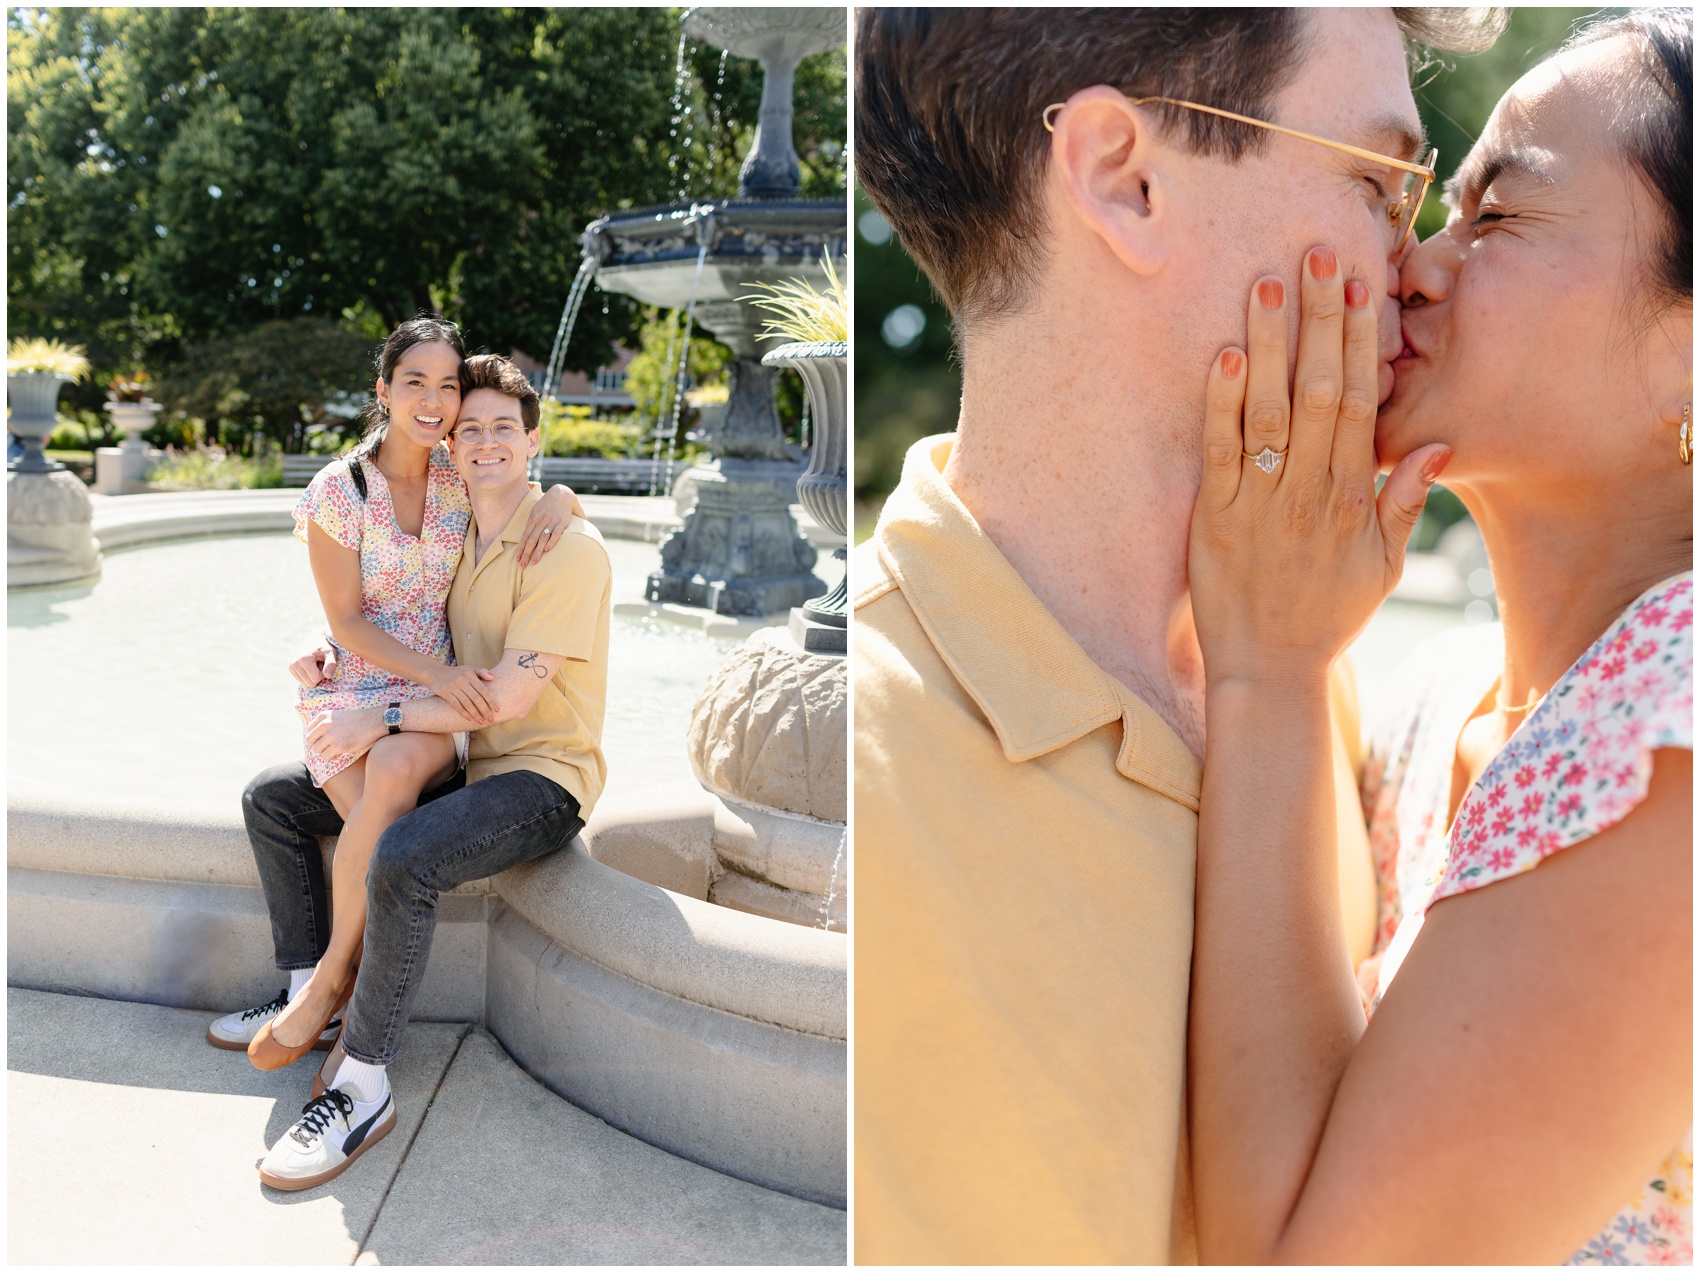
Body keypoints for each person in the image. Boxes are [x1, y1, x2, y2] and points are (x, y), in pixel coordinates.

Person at [850, 8, 1502, 1262]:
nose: (1416, 262)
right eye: (1377, 182)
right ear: (1123, 178)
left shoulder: (1310, 676)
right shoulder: (863, 807)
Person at [1186, 9, 1691, 1263]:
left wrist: (1271, 668)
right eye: (1434, 207)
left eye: (1499, 217)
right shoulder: (1436, 695)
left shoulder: (1673, 742)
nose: (1411, 260)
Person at [226, 353, 612, 1190]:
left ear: (533, 439)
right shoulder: (465, 525)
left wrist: (386, 715)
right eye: (467, 428)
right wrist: (327, 647)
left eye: (501, 428)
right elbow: (389, 602)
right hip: (471, 766)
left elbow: (505, 700)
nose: (478, 440)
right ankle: (308, 991)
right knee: (275, 799)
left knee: (403, 854)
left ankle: (363, 1082)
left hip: (541, 779)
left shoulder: (564, 548)